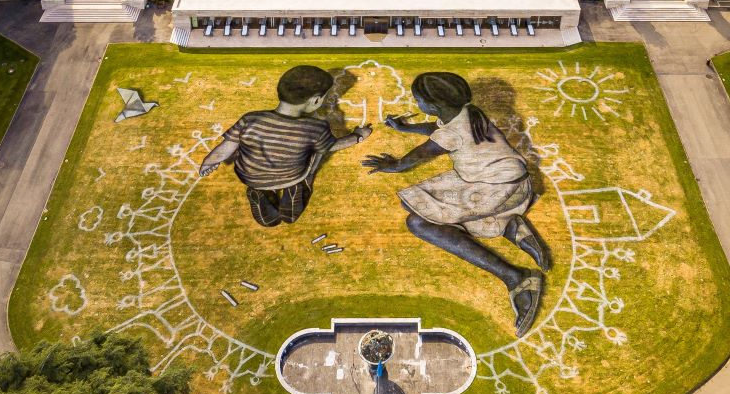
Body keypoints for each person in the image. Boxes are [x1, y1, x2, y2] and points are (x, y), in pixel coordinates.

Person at [364, 71, 549, 335]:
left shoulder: (455, 131)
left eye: (418, 100)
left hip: (494, 190)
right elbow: (439, 132)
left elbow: (419, 154)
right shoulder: (470, 112)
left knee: (418, 221)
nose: (416, 104)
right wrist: (407, 128)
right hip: (515, 184)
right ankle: (509, 226)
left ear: (432, 105)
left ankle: (517, 278)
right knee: (422, 204)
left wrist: (392, 166)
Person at [200, 64, 370, 227]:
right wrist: (358, 136)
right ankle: (296, 192)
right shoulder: (315, 128)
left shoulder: (250, 119)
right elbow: (332, 146)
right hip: (291, 176)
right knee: (317, 152)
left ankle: (260, 195)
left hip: (251, 177)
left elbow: (225, 148)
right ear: (316, 100)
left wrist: (209, 162)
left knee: (252, 160)